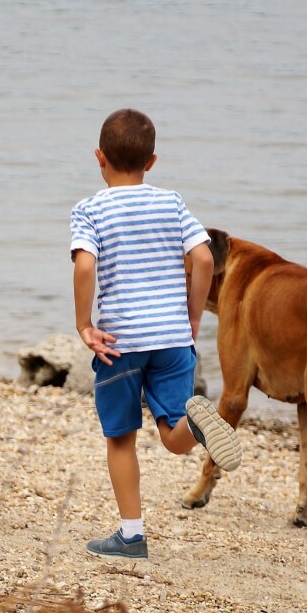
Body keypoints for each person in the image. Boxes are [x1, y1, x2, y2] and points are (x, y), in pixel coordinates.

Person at [70, 108, 242, 559]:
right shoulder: (172, 202)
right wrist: (194, 316)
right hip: (171, 336)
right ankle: (196, 424)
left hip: (120, 343)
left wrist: (85, 325)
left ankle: (131, 536)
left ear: (99, 157)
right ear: (152, 162)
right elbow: (204, 259)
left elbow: (85, 264)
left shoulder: (89, 210)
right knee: (171, 433)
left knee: (121, 436)